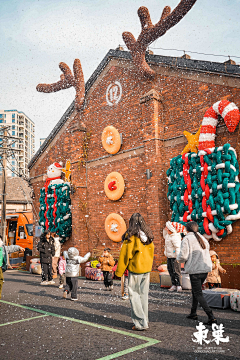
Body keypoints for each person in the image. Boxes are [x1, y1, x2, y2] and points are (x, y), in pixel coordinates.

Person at [115, 213, 154, 331]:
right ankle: (145, 320)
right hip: (146, 269)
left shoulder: (131, 237)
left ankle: (140, 323)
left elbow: (124, 256)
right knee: (143, 295)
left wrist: (118, 272)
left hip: (136, 269)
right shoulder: (148, 236)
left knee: (134, 295)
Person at [177, 221, 217, 325]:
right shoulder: (202, 238)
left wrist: (178, 259)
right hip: (204, 269)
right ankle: (193, 313)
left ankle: (211, 316)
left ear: (187, 229)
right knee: (196, 291)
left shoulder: (186, 239)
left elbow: (183, 256)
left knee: (198, 293)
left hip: (195, 270)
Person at [0, 235, 24, 299]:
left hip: (0, 267)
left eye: (0, 240)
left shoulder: (3, 248)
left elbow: (10, 248)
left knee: (1, 280)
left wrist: (18, 247)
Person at [163, 221, 183, 292]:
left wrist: (178, 257)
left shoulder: (175, 237)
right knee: (170, 270)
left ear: (171, 229)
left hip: (175, 257)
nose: (166, 229)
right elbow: (164, 235)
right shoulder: (168, 235)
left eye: (168, 228)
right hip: (169, 256)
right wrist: (165, 230)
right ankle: (174, 284)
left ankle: (179, 285)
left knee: (176, 271)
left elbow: (178, 247)